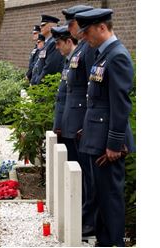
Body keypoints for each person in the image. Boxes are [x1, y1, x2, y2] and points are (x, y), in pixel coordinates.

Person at [75, 8, 135, 247]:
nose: (84, 38)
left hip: (107, 144)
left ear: (102, 27)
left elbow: (119, 104)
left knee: (110, 198)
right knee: (99, 195)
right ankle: (104, 241)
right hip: (96, 138)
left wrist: (114, 143)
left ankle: (116, 243)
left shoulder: (116, 55)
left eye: (87, 32)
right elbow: (96, 101)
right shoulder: (102, 54)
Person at [61, 4, 97, 239]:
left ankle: (90, 221)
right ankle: (84, 215)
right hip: (75, 120)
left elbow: (91, 89)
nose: (70, 28)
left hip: (83, 121)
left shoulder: (88, 49)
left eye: (72, 24)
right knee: (81, 175)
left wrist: (85, 123)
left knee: (88, 177)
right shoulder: (79, 49)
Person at [51, 26, 78, 143]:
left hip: (72, 123)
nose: (56, 47)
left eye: (58, 43)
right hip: (65, 121)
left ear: (68, 42)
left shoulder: (76, 60)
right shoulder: (69, 60)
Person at [30, 15, 64, 85]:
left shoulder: (53, 43)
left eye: (43, 25)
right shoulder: (47, 43)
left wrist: (37, 83)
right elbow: (38, 64)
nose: (40, 27)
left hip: (46, 85)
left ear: (50, 27)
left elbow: (49, 68)